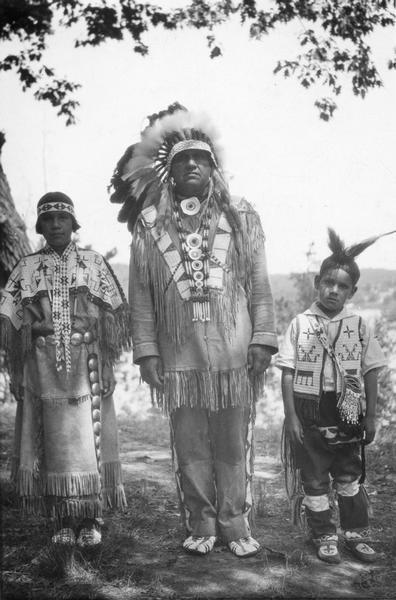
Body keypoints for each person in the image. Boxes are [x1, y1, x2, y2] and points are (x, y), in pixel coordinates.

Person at [110, 104, 278, 558]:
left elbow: (259, 286)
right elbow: (140, 296)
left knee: (231, 441)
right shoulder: (149, 226)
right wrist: (147, 352)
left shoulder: (242, 216)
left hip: (233, 354)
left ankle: (235, 523)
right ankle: (201, 522)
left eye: (199, 158)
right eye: (182, 159)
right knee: (189, 444)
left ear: (212, 167)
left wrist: (263, 339)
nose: (190, 165)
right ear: (169, 171)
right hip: (179, 357)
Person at [0, 192, 130, 547]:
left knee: (89, 440)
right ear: (40, 226)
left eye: (62, 218)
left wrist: (107, 363)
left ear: (74, 224)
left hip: (86, 363)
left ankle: (90, 518)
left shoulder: (93, 263)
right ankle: (60, 519)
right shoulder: (26, 268)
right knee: (52, 442)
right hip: (41, 366)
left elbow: (114, 319)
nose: (56, 224)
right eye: (49, 219)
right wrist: (16, 371)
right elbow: (9, 324)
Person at [276, 228, 392, 564]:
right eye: (328, 282)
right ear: (317, 283)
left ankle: (354, 534)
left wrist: (370, 416)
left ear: (352, 292)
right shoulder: (300, 324)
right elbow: (287, 371)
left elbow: (371, 370)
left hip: (349, 410)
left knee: (348, 474)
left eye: (342, 286)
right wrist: (292, 416)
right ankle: (324, 535)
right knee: (313, 477)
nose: (334, 290)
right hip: (310, 411)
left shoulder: (357, 325)